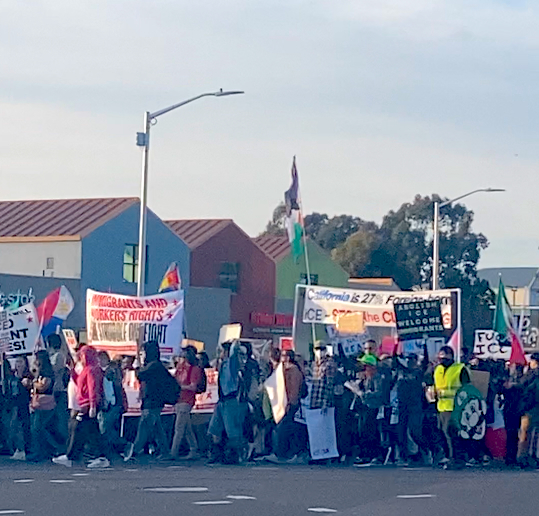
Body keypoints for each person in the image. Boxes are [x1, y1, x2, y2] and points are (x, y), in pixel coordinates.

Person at [54, 346, 109, 468]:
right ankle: (95, 456)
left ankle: (74, 456)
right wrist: (72, 371)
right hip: (85, 404)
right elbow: (80, 383)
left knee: (78, 428)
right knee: (89, 431)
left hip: (88, 404)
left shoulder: (91, 369)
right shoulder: (87, 369)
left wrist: (93, 406)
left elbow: (92, 388)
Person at [123, 340, 172, 461]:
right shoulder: (156, 365)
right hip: (152, 400)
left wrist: (138, 366)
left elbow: (141, 375)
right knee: (157, 428)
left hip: (153, 401)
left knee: (144, 425)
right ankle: (165, 451)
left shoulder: (154, 366)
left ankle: (135, 451)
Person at [207, 341, 248, 464]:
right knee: (214, 428)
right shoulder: (222, 364)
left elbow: (233, 355)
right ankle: (217, 454)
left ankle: (234, 455)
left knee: (232, 430)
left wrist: (234, 345)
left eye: (222, 351)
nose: (220, 353)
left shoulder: (231, 363)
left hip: (230, 400)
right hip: (221, 401)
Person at [433, 346, 470, 469]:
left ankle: (455, 459)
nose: (441, 359)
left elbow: (467, 388)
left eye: (444, 357)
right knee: (442, 433)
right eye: (440, 357)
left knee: (451, 434)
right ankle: (449, 457)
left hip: (455, 407)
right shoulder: (437, 369)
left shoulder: (460, 369)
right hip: (441, 407)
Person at [267, 349, 304, 463]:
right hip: (283, 404)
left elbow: (294, 389)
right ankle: (287, 453)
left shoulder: (293, 371)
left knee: (282, 429)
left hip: (289, 405)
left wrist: (290, 403)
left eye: (283, 355)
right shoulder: (284, 370)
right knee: (286, 428)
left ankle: (281, 454)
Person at [27, 350, 62, 462]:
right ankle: (44, 450)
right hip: (37, 402)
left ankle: (43, 451)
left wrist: (32, 383)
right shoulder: (38, 372)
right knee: (37, 428)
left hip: (45, 403)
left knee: (37, 428)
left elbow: (44, 386)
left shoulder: (47, 372)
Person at [170, 346, 202, 460]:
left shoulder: (194, 369)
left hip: (186, 400)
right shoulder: (180, 368)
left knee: (178, 428)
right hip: (178, 400)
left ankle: (173, 452)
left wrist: (180, 387)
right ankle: (194, 449)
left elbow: (193, 387)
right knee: (186, 427)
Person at [97, 351, 127, 457]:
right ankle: (116, 449)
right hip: (114, 403)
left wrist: (110, 402)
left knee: (106, 428)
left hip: (112, 403)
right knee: (109, 428)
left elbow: (110, 389)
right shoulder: (112, 370)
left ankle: (124, 445)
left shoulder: (110, 372)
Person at [8, 356, 33, 461]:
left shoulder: (28, 376)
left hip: (24, 404)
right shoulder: (12, 376)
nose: (18, 364)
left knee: (23, 427)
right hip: (14, 404)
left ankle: (23, 449)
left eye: (21, 362)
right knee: (14, 426)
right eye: (17, 362)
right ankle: (18, 448)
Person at [501, 363, 524, 467]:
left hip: (515, 410)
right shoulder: (509, 384)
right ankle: (510, 457)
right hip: (510, 410)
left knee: (513, 435)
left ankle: (512, 457)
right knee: (511, 435)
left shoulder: (520, 384)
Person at [309, 341, 337, 412]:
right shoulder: (314, 365)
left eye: (322, 349)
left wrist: (325, 403)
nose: (320, 351)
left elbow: (329, 385)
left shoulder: (329, 364)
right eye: (317, 349)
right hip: (314, 400)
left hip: (323, 402)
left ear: (325, 350)